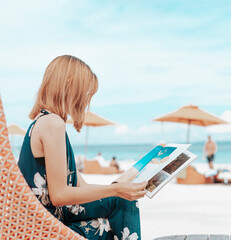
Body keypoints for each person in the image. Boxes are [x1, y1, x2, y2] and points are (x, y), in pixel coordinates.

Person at [18, 55, 147, 239]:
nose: (87, 100)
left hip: (50, 220)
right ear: (71, 89)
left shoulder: (46, 122)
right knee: (119, 205)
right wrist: (117, 191)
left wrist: (120, 185)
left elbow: (81, 189)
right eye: (85, 92)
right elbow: (59, 195)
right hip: (45, 230)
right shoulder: (52, 124)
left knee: (120, 203)